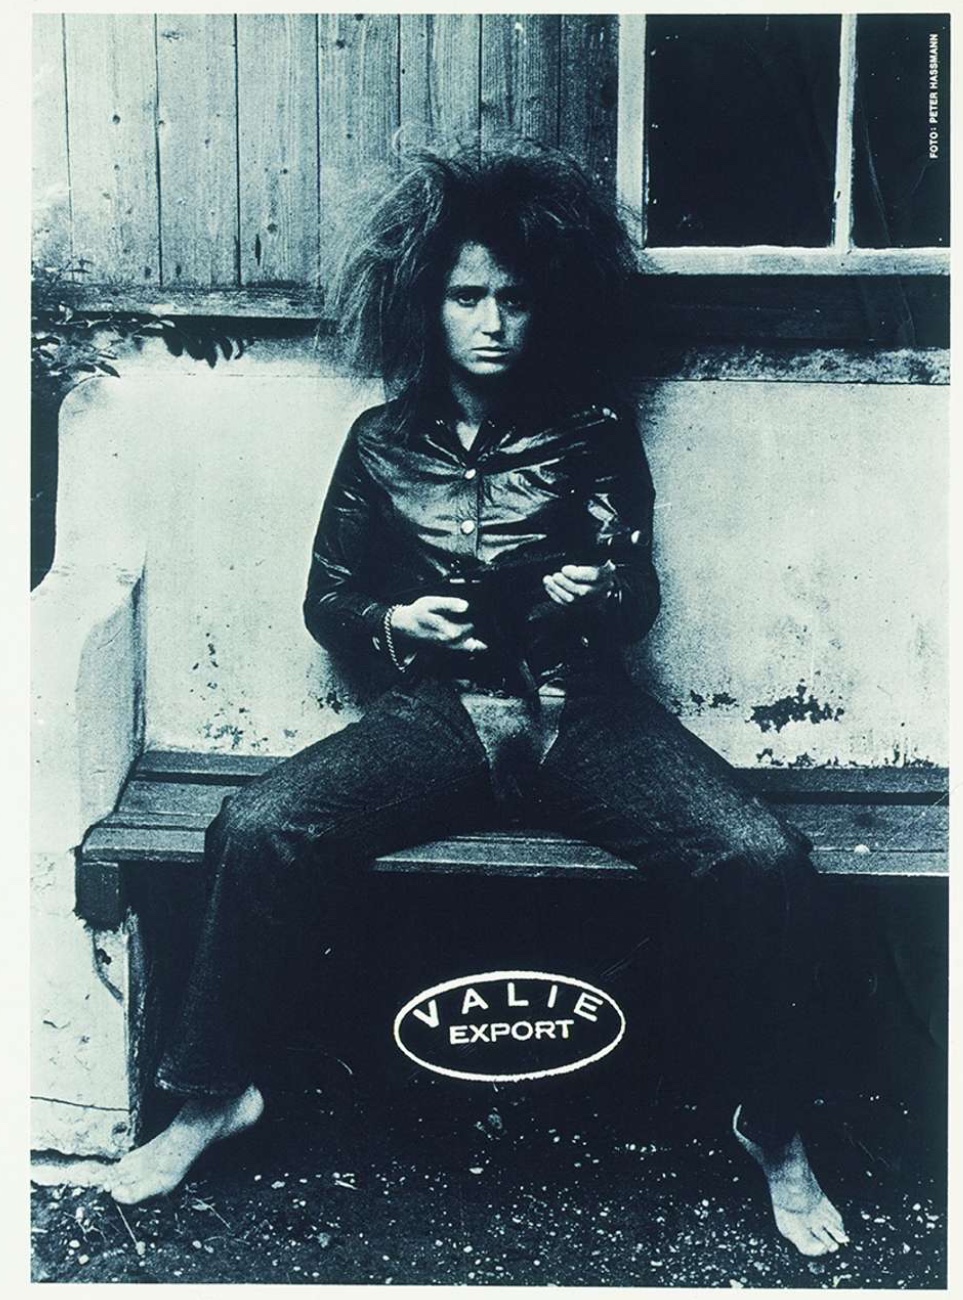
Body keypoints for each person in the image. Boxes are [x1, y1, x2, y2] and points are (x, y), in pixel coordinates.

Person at [104, 148, 848, 1257]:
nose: (492, 321)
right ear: (425, 305)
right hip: (440, 717)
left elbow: (635, 596)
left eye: (514, 297)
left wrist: (594, 597)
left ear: (548, 304)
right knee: (258, 824)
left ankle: (775, 1132)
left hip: (581, 715)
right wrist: (397, 624)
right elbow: (328, 601)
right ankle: (214, 1097)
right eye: (466, 297)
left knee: (762, 857)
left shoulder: (591, 431)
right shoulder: (379, 442)